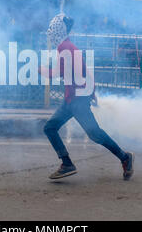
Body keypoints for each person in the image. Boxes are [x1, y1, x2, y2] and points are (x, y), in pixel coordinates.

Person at [39, 13, 134, 180]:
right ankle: (67, 163)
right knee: (50, 128)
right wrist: (92, 90)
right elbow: (84, 70)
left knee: (94, 134)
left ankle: (125, 158)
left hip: (77, 100)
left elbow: (57, 73)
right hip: (72, 99)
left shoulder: (65, 48)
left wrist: (41, 70)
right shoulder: (68, 47)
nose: (50, 32)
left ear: (59, 30)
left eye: (52, 28)